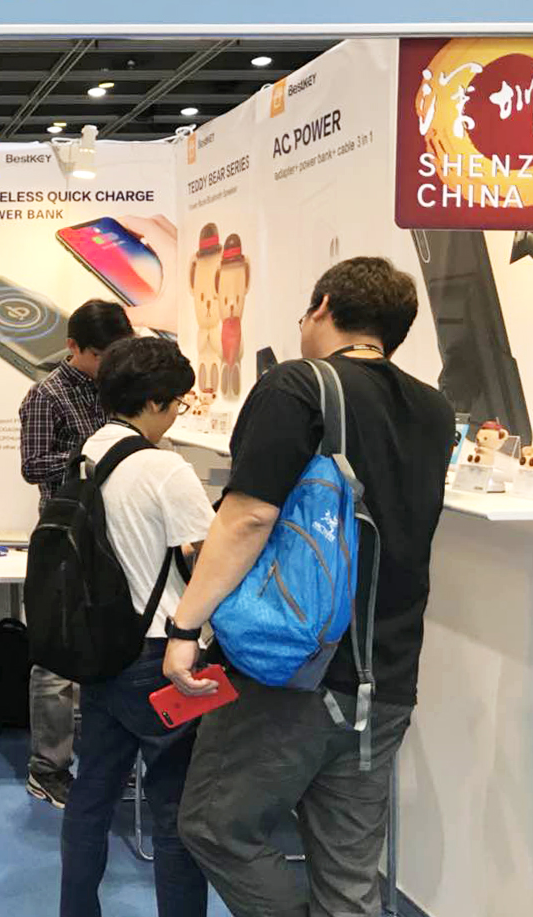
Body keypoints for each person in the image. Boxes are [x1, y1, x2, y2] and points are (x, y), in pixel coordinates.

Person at [163, 258, 453, 917]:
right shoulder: (434, 411)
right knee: (350, 879)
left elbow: (248, 517)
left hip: (289, 670)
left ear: (321, 307)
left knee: (214, 827)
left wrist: (185, 628)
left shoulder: (297, 386)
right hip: (387, 676)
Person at [59, 336, 213, 917]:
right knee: (176, 810)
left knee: (92, 794)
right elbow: (208, 559)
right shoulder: (165, 468)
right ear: (153, 401)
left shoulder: (89, 452)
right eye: (176, 402)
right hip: (162, 654)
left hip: (103, 648)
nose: (176, 414)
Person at [19, 299, 135, 808]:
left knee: (111, 649)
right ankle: (48, 769)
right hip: (65, 540)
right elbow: (32, 465)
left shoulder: (117, 388)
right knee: (56, 663)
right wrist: (88, 454)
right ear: (74, 347)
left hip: (114, 535)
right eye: (101, 355)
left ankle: (108, 762)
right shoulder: (46, 395)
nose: (110, 363)